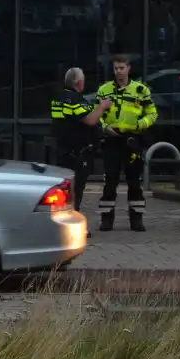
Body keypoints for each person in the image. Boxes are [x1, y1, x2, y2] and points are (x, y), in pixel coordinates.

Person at [96, 55, 158, 233]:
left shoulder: (141, 90)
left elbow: (152, 114)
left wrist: (140, 125)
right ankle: (106, 219)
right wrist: (105, 127)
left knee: (134, 181)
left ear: (129, 68)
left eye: (122, 68)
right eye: (116, 68)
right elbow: (95, 114)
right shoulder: (104, 90)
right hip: (111, 139)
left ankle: (136, 220)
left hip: (132, 139)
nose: (119, 71)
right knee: (110, 180)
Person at [52, 67, 113, 236]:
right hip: (76, 154)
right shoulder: (74, 100)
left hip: (64, 151)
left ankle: (62, 225)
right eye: (83, 80)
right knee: (75, 192)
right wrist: (102, 107)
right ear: (79, 82)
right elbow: (90, 120)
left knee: (65, 192)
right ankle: (70, 227)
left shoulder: (59, 98)